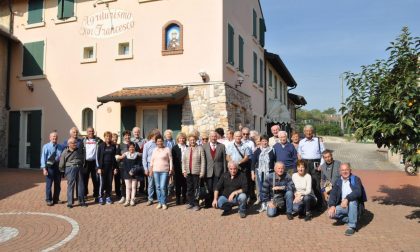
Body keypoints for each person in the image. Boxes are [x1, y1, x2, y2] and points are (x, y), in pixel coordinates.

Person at [327, 163, 367, 236]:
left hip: (355, 206)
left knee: (352, 201)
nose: (345, 172)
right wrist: (332, 205)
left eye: (346, 170)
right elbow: (333, 194)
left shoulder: (355, 179)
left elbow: (358, 192)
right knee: (331, 214)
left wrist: (347, 199)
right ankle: (351, 218)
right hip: (343, 206)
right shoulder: (338, 181)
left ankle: (352, 226)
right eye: (342, 170)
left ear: (350, 170)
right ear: (340, 171)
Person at [298, 124, 325, 209]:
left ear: (312, 132)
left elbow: (324, 154)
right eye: (306, 131)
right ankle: (306, 203)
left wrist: (321, 165)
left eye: (310, 131)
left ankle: (320, 204)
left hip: (315, 164)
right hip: (305, 163)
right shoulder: (301, 142)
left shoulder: (318, 141)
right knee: (304, 183)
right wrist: (301, 165)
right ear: (304, 132)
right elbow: (299, 154)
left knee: (316, 185)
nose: (308, 132)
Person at [59, 137, 86, 208]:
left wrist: (81, 165)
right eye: (73, 143)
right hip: (70, 168)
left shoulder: (79, 150)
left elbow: (83, 158)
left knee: (81, 185)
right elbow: (62, 162)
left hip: (79, 168)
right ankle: (70, 202)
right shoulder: (65, 152)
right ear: (69, 144)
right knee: (71, 185)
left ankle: (82, 201)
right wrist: (62, 171)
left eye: (75, 142)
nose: (75, 144)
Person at [251, 135, 276, 211]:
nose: (264, 142)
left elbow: (275, 161)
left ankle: (269, 203)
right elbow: (253, 163)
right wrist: (252, 173)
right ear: (260, 142)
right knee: (262, 188)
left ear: (268, 142)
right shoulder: (257, 150)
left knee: (269, 188)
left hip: (270, 172)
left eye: (266, 141)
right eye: (263, 141)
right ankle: (263, 204)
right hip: (260, 172)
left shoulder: (272, 150)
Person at [203, 131, 227, 208]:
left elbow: (224, 160)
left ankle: (217, 202)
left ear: (217, 137)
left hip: (219, 170)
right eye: (212, 136)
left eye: (215, 136)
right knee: (209, 188)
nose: (213, 138)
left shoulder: (222, 146)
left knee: (217, 187)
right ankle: (208, 203)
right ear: (209, 137)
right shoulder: (204, 146)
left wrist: (225, 171)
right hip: (208, 170)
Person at [226, 131, 253, 201]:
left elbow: (247, 157)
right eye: (236, 136)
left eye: (239, 136)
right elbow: (227, 156)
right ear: (234, 137)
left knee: (244, 182)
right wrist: (231, 162)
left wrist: (239, 162)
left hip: (242, 167)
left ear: (241, 137)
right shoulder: (230, 146)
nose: (238, 138)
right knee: (234, 182)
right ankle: (234, 197)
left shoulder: (245, 146)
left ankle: (245, 197)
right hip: (233, 168)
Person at [182, 133, 205, 211]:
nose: (192, 141)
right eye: (191, 140)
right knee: (189, 188)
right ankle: (190, 202)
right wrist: (184, 170)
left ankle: (196, 204)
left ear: (196, 140)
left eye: (193, 140)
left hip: (197, 172)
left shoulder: (200, 148)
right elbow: (184, 161)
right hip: (188, 172)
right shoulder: (187, 149)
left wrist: (202, 172)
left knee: (196, 188)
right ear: (189, 141)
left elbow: (203, 161)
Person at [40, 131, 64, 206]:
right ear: (50, 138)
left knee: (57, 184)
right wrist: (44, 169)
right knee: (49, 184)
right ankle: (49, 199)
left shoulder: (60, 147)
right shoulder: (46, 146)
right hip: (49, 166)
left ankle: (56, 198)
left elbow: (62, 158)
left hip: (57, 167)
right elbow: (43, 158)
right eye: (53, 136)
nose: (54, 138)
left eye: (56, 137)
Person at [150, 136, 173, 210]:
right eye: (158, 141)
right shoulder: (154, 150)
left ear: (163, 141)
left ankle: (164, 202)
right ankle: (159, 202)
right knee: (158, 187)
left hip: (164, 171)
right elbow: (152, 160)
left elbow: (170, 159)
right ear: (156, 142)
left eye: (161, 141)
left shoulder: (167, 149)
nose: (159, 142)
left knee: (163, 187)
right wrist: (151, 170)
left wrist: (171, 169)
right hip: (155, 170)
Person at [96, 131, 118, 205]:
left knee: (109, 182)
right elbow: (97, 157)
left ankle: (108, 196)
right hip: (102, 168)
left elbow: (115, 158)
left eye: (109, 136)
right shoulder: (101, 146)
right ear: (104, 137)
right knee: (102, 183)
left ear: (111, 137)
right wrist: (98, 168)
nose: (108, 138)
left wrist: (115, 168)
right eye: (107, 136)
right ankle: (101, 197)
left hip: (110, 168)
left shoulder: (113, 146)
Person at [82, 127, 102, 202]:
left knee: (96, 179)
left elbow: (105, 144)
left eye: (92, 131)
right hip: (86, 163)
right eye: (89, 131)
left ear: (94, 132)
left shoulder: (98, 140)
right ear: (87, 132)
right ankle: (84, 194)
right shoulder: (83, 140)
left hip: (95, 163)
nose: (91, 132)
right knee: (85, 179)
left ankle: (96, 195)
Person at [119, 142, 142, 207]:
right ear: (128, 148)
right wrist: (128, 171)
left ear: (134, 147)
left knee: (134, 187)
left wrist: (133, 171)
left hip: (135, 173)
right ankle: (127, 200)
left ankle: (132, 200)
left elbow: (139, 164)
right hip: (126, 173)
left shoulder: (137, 155)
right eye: (130, 147)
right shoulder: (126, 155)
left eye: (132, 147)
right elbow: (124, 165)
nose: (131, 148)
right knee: (128, 187)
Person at [142, 129, 161, 206]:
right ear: (153, 135)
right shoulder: (147, 144)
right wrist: (146, 168)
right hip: (150, 166)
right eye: (157, 134)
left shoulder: (160, 143)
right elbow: (144, 158)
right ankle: (150, 199)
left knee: (159, 184)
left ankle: (160, 199)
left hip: (159, 165)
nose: (158, 136)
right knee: (150, 184)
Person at [116, 130, 132, 204]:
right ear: (123, 137)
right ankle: (123, 196)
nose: (127, 137)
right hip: (122, 166)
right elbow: (116, 156)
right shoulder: (120, 145)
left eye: (128, 135)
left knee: (131, 182)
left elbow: (138, 154)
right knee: (123, 182)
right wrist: (122, 156)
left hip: (131, 166)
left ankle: (131, 197)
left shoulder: (133, 144)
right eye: (126, 135)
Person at [172, 132, 188, 205]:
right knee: (177, 184)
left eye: (183, 138)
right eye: (180, 138)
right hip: (177, 168)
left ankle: (184, 198)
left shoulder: (187, 147)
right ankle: (178, 199)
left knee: (185, 184)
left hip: (186, 168)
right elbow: (172, 159)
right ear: (178, 139)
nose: (182, 139)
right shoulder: (174, 148)